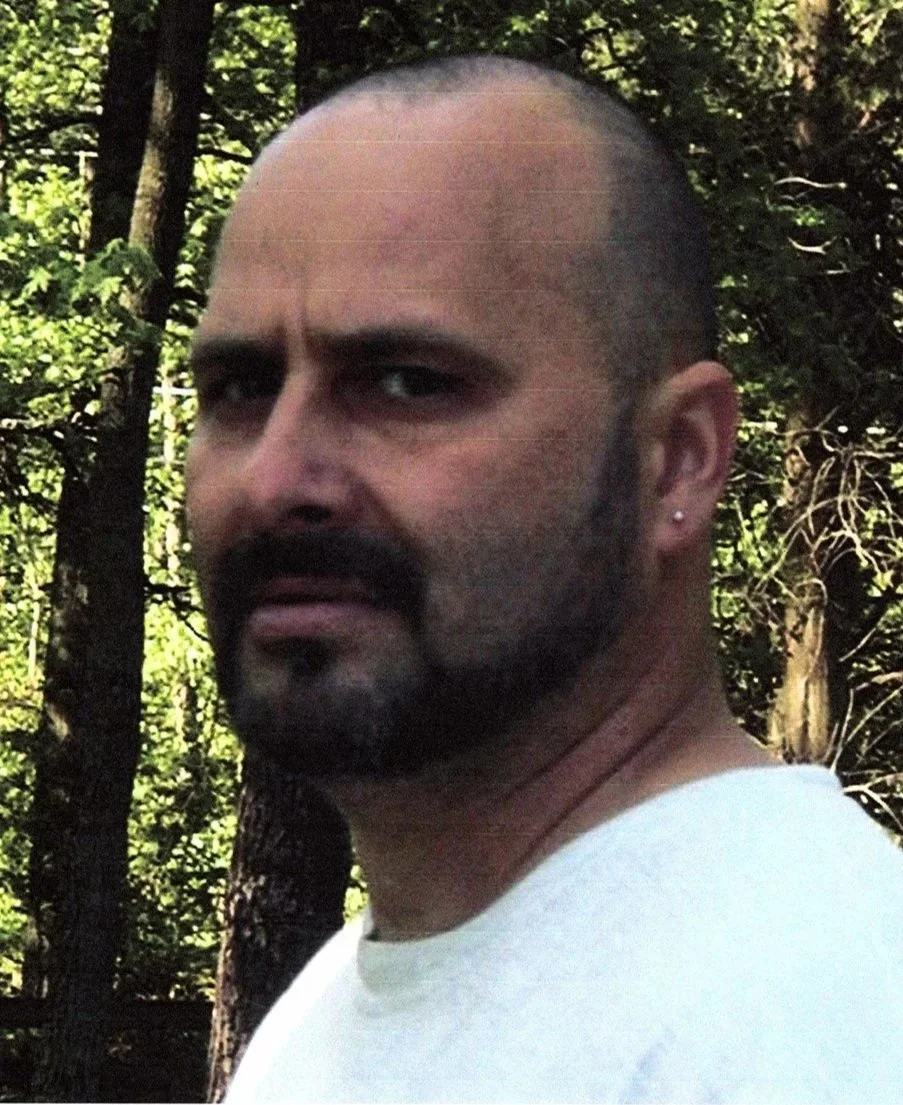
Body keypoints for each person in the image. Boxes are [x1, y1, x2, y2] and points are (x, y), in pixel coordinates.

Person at [186, 55, 903, 1103]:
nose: (277, 476)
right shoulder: (325, 1022)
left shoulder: (808, 1023)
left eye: (406, 383)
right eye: (239, 389)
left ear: (678, 460)